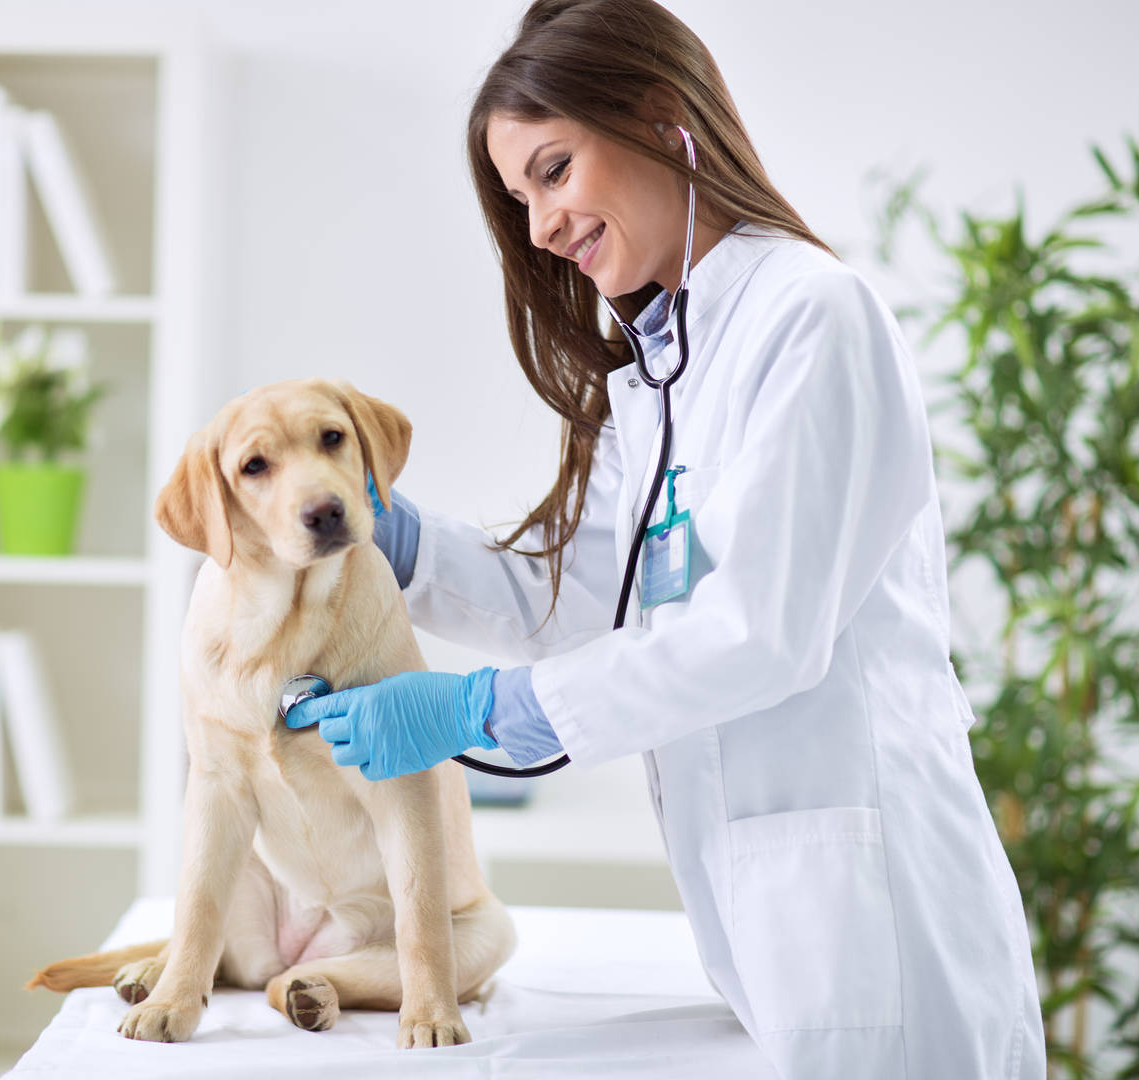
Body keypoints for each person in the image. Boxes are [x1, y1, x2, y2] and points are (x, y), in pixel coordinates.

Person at [283, 1, 1045, 1076]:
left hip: (878, 933)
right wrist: (402, 546)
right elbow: (588, 601)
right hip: (776, 930)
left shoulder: (811, 317)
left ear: (658, 119)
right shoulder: (657, 374)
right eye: (519, 197)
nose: (540, 226)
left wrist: (476, 712)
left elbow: (759, 635)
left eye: (552, 171)